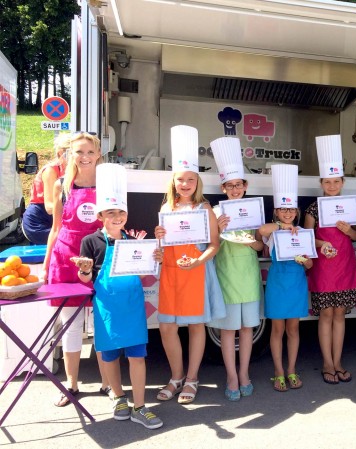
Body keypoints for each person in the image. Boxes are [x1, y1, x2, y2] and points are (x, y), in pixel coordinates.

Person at [74, 163, 163, 429]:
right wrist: (86, 271)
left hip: (132, 304)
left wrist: (155, 257)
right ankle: (119, 396)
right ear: (101, 215)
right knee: (110, 355)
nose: (117, 217)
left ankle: (140, 406)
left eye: (121, 212)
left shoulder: (134, 239)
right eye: (111, 212)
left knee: (137, 355)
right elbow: (86, 280)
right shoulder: (90, 242)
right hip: (107, 306)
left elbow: (146, 273)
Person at [154, 125, 225, 404]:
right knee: (167, 327)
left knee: (196, 326)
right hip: (171, 274)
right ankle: (175, 377)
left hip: (195, 272)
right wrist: (158, 242)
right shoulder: (165, 209)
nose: (185, 185)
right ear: (173, 182)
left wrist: (197, 260)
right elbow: (162, 248)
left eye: (190, 180)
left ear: (197, 183)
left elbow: (214, 245)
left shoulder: (204, 208)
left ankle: (192, 378)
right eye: (180, 180)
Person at [41, 131, 110, 406]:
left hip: (99, 255)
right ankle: (70, 384)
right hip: (66, 256)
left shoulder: (108, 184)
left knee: (100, 323)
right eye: (79, 152)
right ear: (70, 154)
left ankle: (108, 382)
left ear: (98, 155)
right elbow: (55, 228)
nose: (84, 157)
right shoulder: (62, 185)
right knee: (70, 324)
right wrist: (46, 265)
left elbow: (115, 221)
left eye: (90, 152)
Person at [208, 136, 263, 401]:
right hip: (226, 275)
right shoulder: (216, 211)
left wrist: (253, 241)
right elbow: (209, 245)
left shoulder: (255, 211)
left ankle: (244, 374)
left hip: (249, 276)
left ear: (245, 185)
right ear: (223, 187)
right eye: (230, 186)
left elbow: (261, 247)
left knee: (247, 330)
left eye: (238, 185)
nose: (235, 189)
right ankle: (231, 376)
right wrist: (217, 228)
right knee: (228, 330)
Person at [304, 135, 356, 385]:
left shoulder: (350, 206)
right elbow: (307, 238)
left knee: (340, 315)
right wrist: (322, 243)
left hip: (345, 266)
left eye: (336, 181)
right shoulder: (313, 209)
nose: (332, 185)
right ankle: (327, 362)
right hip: (324, 268)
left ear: (342, 182)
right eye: (328, 181)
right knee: (326, 314)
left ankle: (338, 361)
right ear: (322, 182)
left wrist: (350, 232)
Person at [259, 164, 312, 392]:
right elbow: (261, 230)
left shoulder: (303, 234)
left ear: (297, 212)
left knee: (293, 330)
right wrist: (281, 226)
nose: (288, 213)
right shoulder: (273, 232)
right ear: (277, 213)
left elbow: (310, 263)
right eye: (283, 209)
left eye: (291, 210)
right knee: (277, 330)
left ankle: (291, 369)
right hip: (277, 285)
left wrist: (303, 260)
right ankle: (278, 371)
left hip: (297, 285)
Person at [23, 133, 69, 244]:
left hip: (56, 218)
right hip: (38, 221)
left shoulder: (70, 170)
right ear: (60, 153)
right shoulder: (51, 170)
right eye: (72, 152)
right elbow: (49, 206)